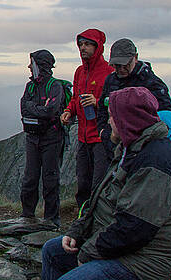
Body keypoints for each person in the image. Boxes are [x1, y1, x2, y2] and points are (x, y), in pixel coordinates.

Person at [41, 87, 171, 280]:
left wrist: (90, 251)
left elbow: (135, 228)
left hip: (144, 261)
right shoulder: (130, 149)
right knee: (52, 252)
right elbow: (101, 198)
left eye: (112, 116)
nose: (109, 121)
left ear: (127, 120)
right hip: (122, 246)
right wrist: (78, 231)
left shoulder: (155, 163)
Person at [96, 38, 171, 159]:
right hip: (113, 146)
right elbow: (103, 107)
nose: (121, 69)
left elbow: (166, 116)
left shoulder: (152, 83)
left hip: (140, 152)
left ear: (136, 57)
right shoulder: (111, 80)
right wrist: (103, 132)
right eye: (117, 65)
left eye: (126, 65)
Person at [60, 28, 114, 210]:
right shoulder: (79, 72)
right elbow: (76, 98)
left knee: (99, 182)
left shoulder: (109, 72)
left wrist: (98, 102)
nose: (83, 48)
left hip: (101, 137)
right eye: (80, 44)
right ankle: (83, 220)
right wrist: (68, 111)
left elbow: (118, 102)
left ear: (97, 47)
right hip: (83, 137)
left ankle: (99, 220)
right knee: (83, 182)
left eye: (88, 44)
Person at [20, 49, 65, 228]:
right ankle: (27, 216)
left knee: (50, 178)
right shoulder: (30, 86)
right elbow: (24, 108)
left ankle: (51, 220)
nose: (29, 67)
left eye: (32, 63)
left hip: (52, 138)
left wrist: (33, 108)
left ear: (40, 65)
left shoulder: (54, 86)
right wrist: (39, 109)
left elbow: (51, 110)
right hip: (33, 138)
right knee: (30, 178)